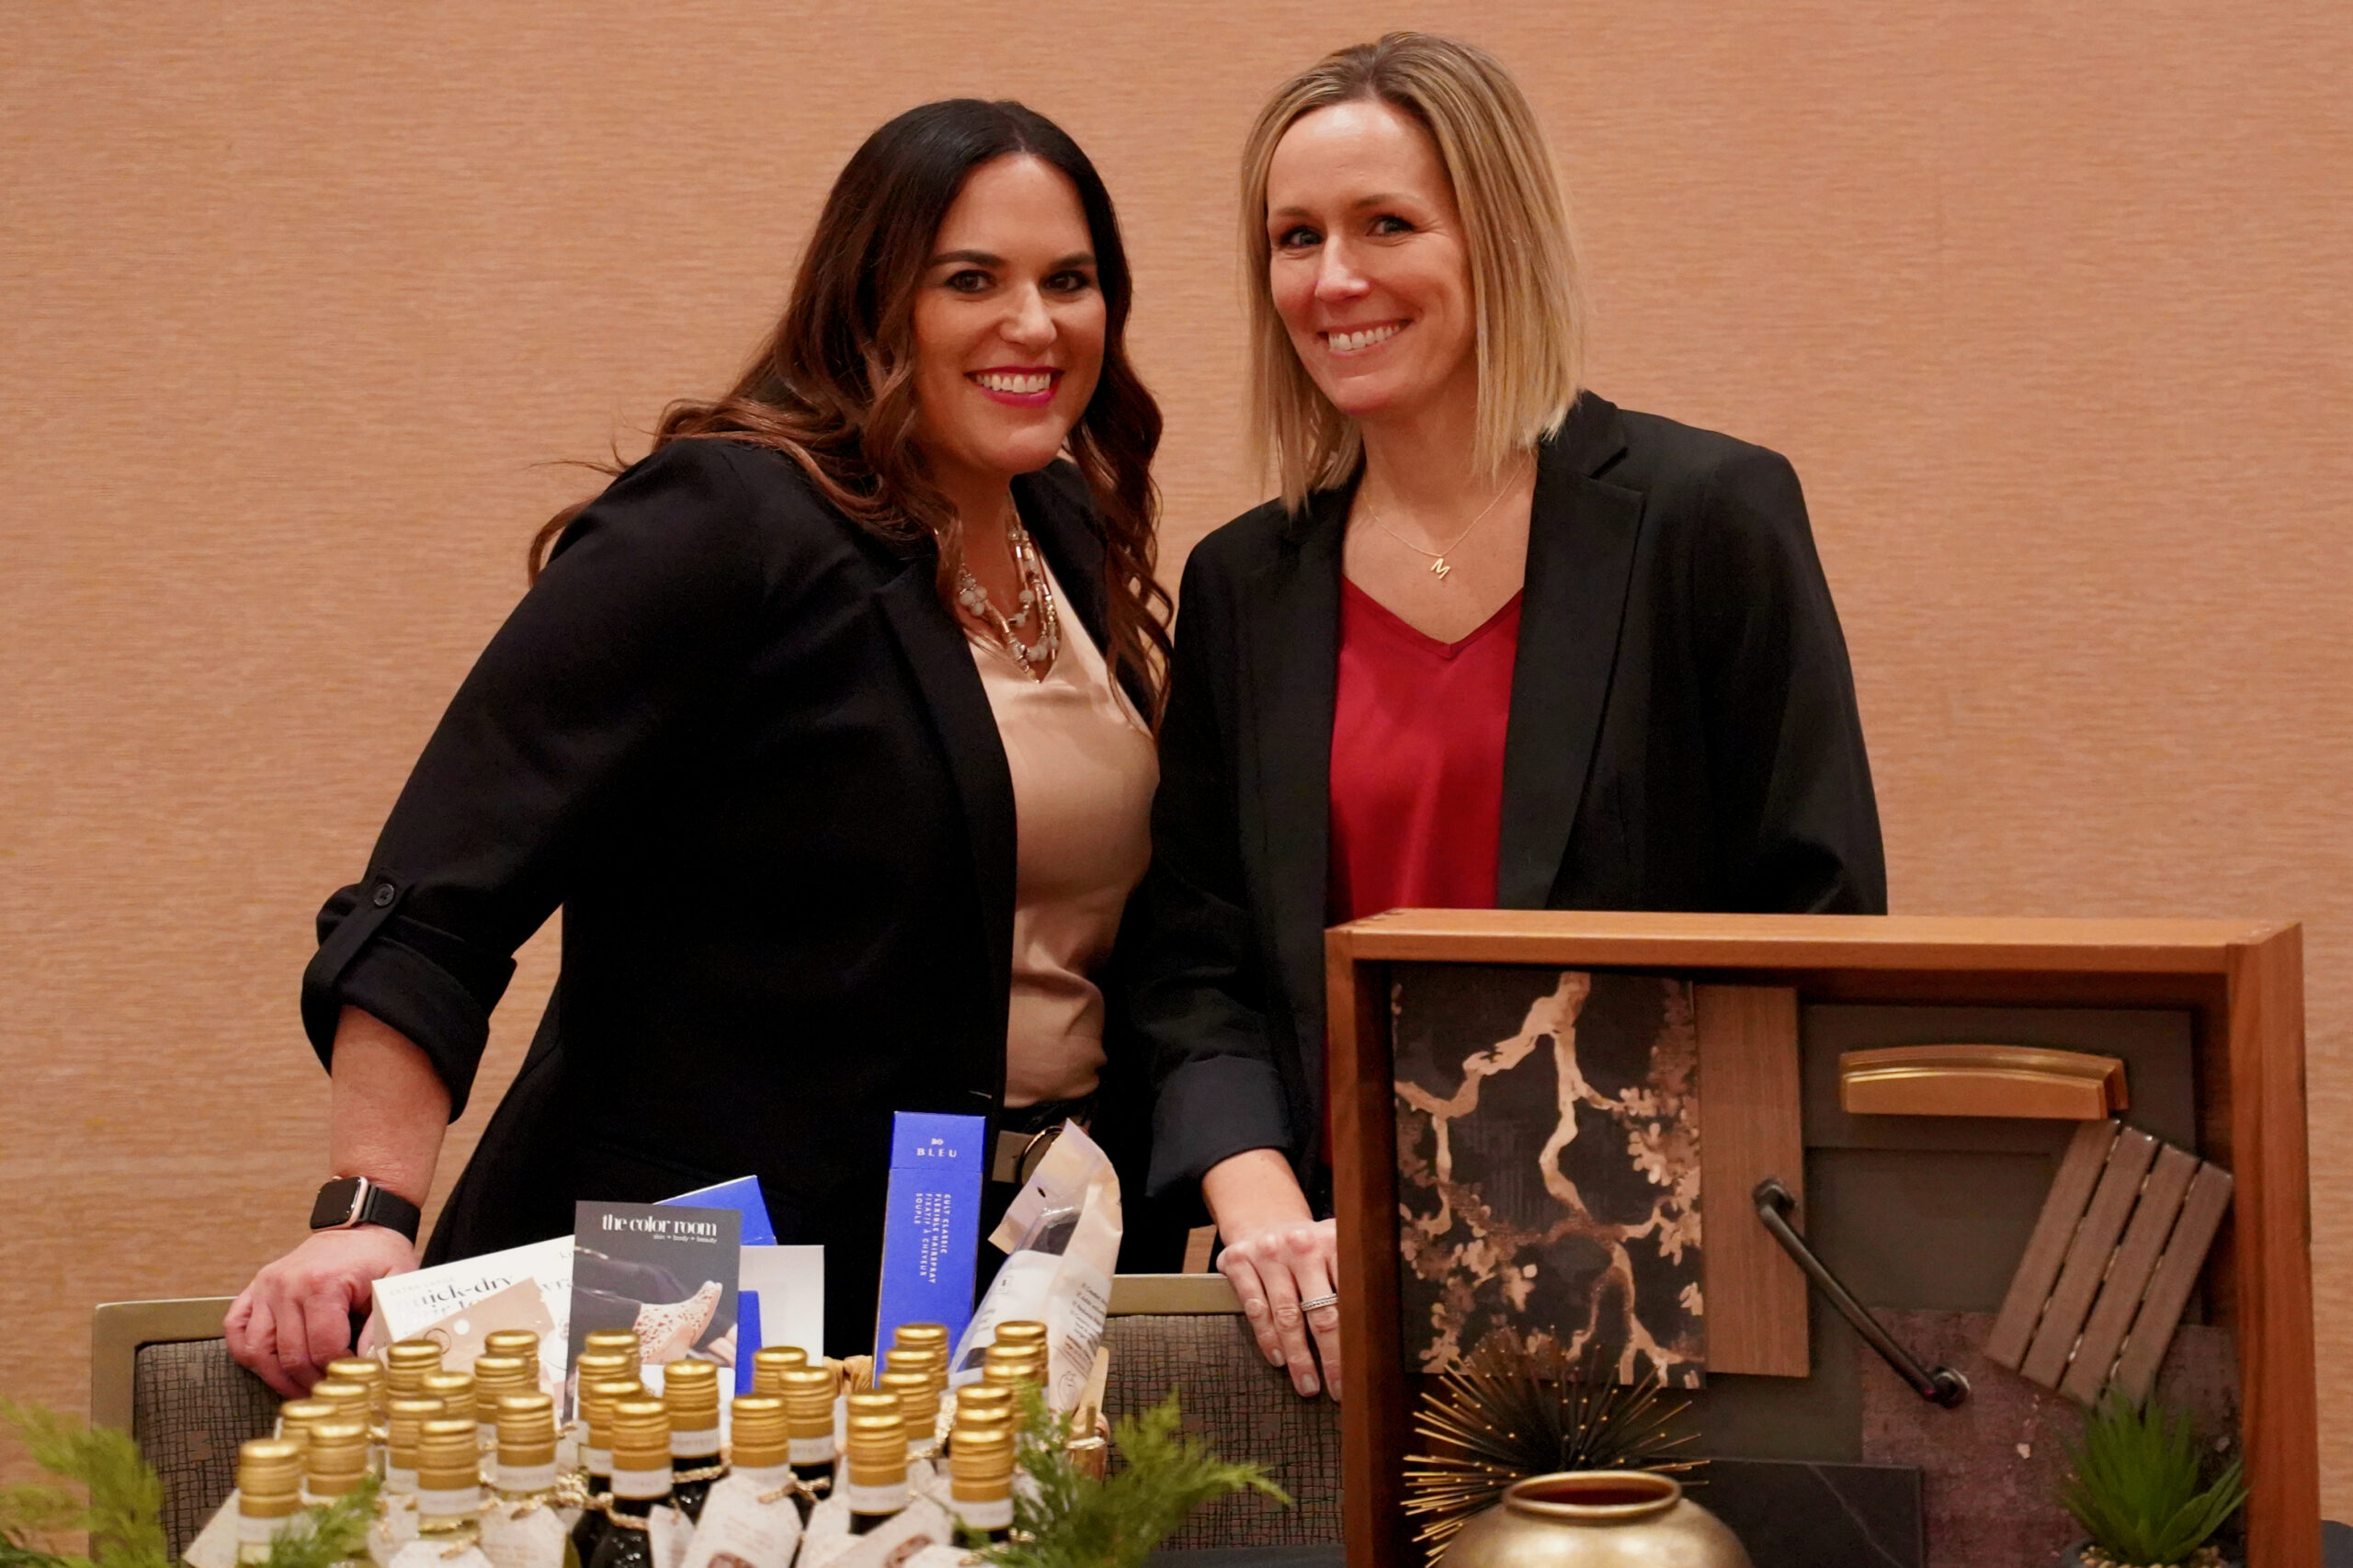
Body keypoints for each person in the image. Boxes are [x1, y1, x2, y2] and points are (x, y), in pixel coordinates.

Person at [226, 97, 1175, 1396]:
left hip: (989, 1260)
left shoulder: (1058, 524)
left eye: (1070, 280)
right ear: (873, 298)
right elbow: (443, 889)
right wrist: (365, 1206)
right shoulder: (728, 518)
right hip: (703, 1280)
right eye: (972, 279)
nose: (1035, 322)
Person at [1131, 33, 1886, 1403]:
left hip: (1663, 1310)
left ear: (1498, 240)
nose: (1333, 278)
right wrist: (1252, 1197)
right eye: (1294, 238)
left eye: (1386, 225)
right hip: (1334, 1312)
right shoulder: (1244, 582)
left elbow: (1817, 919)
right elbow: (1196, 961)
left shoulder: (1710, 521)